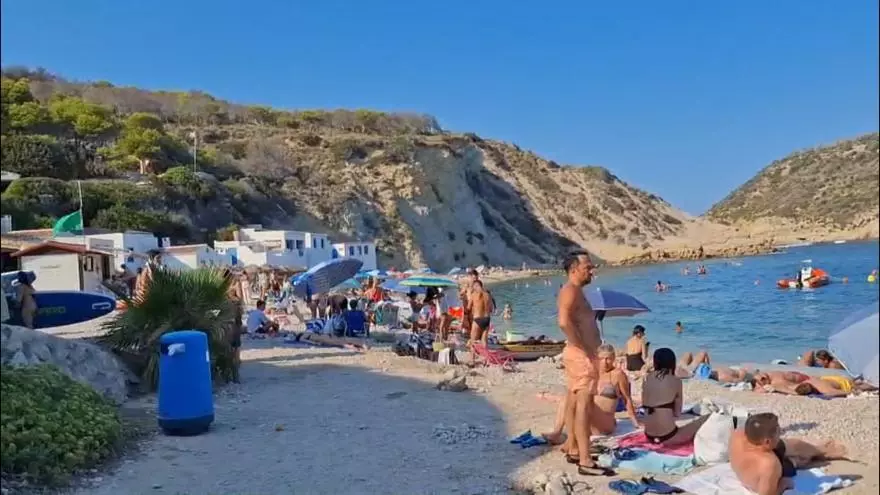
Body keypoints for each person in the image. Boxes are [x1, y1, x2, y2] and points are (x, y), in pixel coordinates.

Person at [556, 250, 613, 477]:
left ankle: (573, 447)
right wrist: (584, 348)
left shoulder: (575, 291)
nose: (592, 270)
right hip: (581, 356)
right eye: (587, 267)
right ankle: (585, 460)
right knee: (584, 405)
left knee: (573, 401)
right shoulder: (570, 290)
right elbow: (563, 322)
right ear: (574, 269)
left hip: (577, 354)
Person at [730, 413, 847, 495]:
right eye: (778, 432)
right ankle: (820, 453)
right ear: (767, 442)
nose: (781, 433)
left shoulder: (738, 434)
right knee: (792, 461)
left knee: (788, 445)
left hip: (756, 460)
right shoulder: (769, 464)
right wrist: (783, 485)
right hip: (767, 471)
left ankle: (819, 450)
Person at [641, 348, 710, 447]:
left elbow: (645, 403)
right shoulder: (676, 381)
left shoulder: (646, 379)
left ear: (655, 363)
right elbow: (677, 413)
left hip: (649, 436)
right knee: (705, 419)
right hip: (668, 437)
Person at [223, 269, 243, 382]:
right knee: (235, 344)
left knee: (230, 344)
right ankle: (235, 373)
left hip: (228, 317)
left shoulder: (222, 288)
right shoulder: (235, 285)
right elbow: (241, 300)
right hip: (234, 317)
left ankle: (231, 373)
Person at [467, 280, 494, 363]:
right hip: (487, 319)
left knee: (473, 341)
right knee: (484, 341)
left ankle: (472, 361)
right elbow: (491, 309)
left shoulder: (473, 295)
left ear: (476, 285)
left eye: (473, 286)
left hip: (477, 319)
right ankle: (486, 360)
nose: (473, 288)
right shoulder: (488, 295)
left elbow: (468, 307)